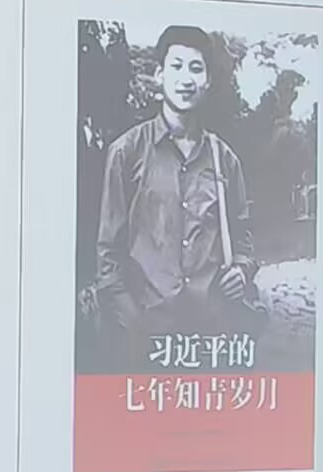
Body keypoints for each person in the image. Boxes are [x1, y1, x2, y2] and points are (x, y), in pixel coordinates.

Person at [94, 24, 261, 368]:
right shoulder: (127, 152)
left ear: (208, 81)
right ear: (159, 74)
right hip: (145, 335)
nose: (186, 78)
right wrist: (132, 321)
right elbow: (108, 251)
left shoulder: (225, 159)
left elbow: (243, 238)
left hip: (213, 333)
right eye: (176, 66)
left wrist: (242, 270)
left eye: (196, 68)